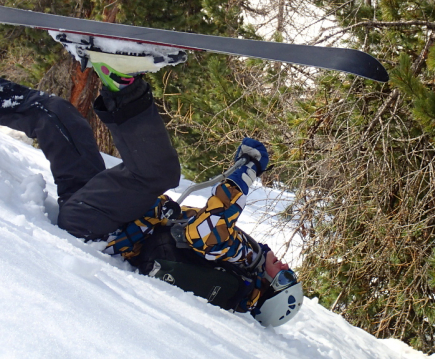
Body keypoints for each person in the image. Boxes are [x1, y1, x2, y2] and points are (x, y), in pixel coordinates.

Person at [0, 39, 303, 327]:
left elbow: (206, 233)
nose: (286, 266)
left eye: (285, 276)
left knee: (158, 173)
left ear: (270, 290)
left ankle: (121, 83)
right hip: (100, 213)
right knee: (58, 117)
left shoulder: (244, 264)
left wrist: (245, 174)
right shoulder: (239, 268)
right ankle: (114, 78)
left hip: (99, 225)